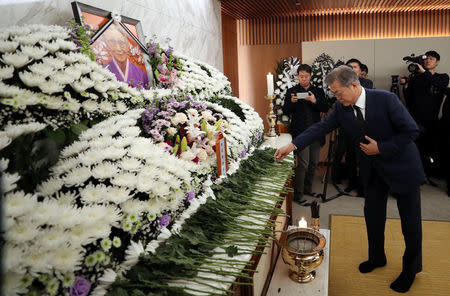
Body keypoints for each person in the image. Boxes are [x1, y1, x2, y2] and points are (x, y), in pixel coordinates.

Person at [275, 65, 424, 293]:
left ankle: (410, 270)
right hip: (373, 171)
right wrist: (292, 145)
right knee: (373, 216)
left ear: (354, 85)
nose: (336, 97)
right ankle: (376, 258)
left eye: (338, 92)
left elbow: (411, 131)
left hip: (402, 167)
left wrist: (381, 148)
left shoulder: (386, 99)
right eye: (334, 94)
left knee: (410, 223)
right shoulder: (342, 108)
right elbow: (321, 127)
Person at [282, 64, 329, 204]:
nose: (303, 79)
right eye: (301, 76)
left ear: (310, 76)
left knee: (314, 163)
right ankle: (298, 195)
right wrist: (291, 102)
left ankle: (308, 189)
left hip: (315, 131)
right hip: (300, 133)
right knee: (303, 164)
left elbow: (325, 108)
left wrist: (315, 101)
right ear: (297, 76)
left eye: (306, 76)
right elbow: (285, 110)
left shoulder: (317, 91)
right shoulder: (292, 91)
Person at [400, 50, 449, 184]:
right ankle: (416, 176)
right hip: (415, 119)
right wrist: (405, 86)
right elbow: (409, 101)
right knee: (414, 149)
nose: (428, 61)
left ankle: (427, 175)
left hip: (432, 120)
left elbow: (440, 85)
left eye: (431, 59)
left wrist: (424, 72)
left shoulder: (443, 77)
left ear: (437, 62)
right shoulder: (416, 78)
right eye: (426, 59)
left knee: (430, 150)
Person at [102, 24, 149, 88]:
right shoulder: (102, 71)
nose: (118, 48)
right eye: (112, 42)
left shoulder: (141, 73)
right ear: (107, 44)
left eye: (122, 42)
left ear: (127, 44)